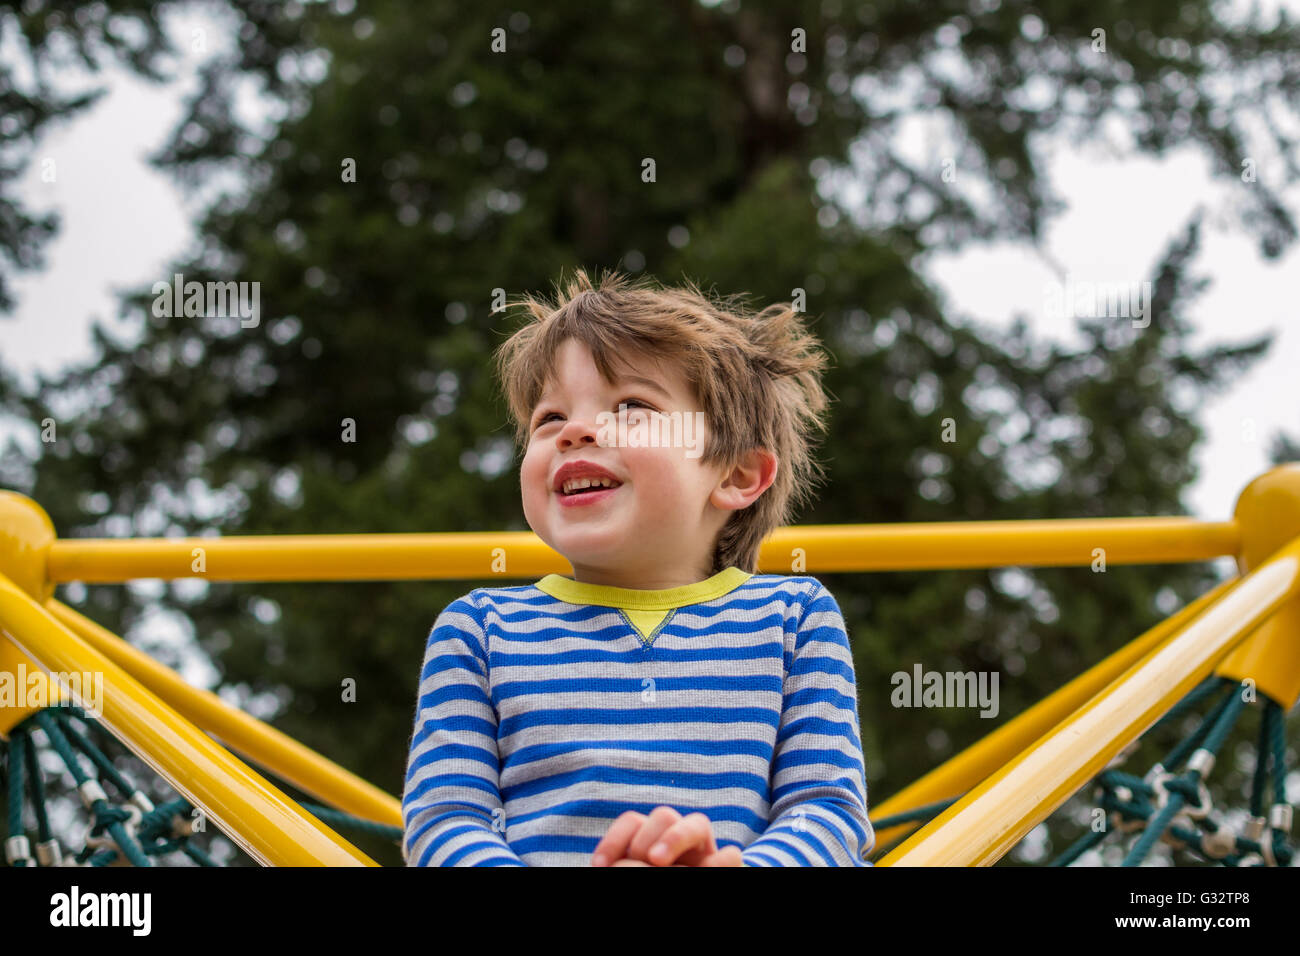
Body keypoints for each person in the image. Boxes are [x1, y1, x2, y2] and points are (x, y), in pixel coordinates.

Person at [402, 267, 873, 866]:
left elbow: (825, 812)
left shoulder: (793, 618)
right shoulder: (480, 630)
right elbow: (445, 821)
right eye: (548, 419)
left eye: (630, 406)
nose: (574, 431)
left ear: (736, 475)